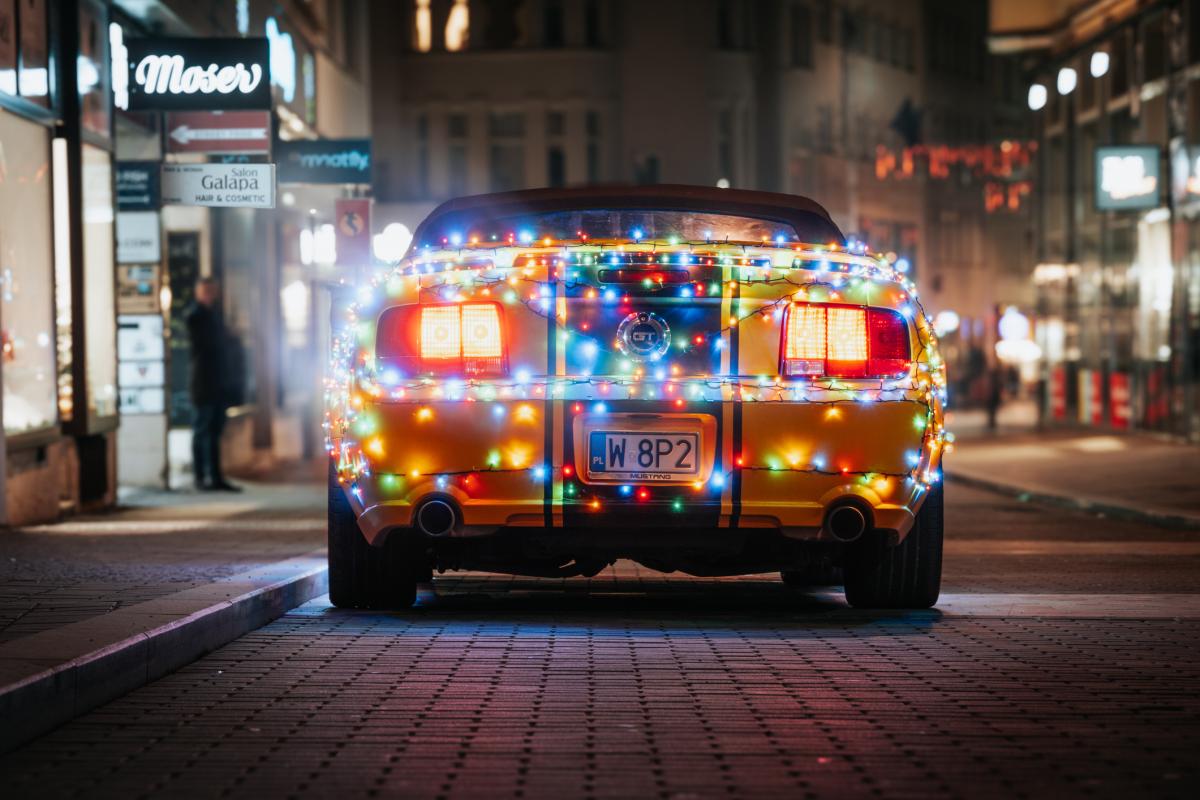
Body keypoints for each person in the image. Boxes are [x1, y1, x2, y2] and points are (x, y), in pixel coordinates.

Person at [186, 277, 241, 492]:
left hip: (218, 383)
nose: (210, 296)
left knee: (214, 431)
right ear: (198, 293)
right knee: (202, 430)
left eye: (212, 291)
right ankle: (201, 477)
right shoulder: (196, 317)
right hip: (203, 383)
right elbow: (208, 345)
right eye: (206, 291)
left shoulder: (214, 316)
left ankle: (215, 476)